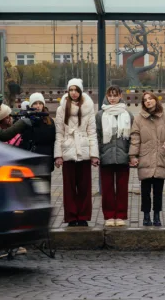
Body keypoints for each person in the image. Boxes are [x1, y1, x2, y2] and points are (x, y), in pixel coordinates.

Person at [54, 78, 99, 227]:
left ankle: (84, 216)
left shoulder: (88, 108)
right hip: (68, 150)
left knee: (85, 187)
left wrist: (94, 155)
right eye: (71, 90)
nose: (73, 93)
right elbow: (59, 133)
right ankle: (71, 217)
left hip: (84, 150)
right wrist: (58, 155)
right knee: (69, 187)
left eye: (76, 90)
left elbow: (92, 132)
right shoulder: (62, 109)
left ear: (80, 91)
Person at [130, 92, 165, 227]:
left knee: (158, 191)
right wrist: (133, 156)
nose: (148, 101)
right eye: (145, 100)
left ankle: (157, 215)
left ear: (156, 100)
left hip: (160, 157)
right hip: (145, 158)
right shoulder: (139, 118)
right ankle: (146, 216)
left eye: (150, 99)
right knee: (145, 191)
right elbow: (135, 137)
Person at [95, 86, 133, 227]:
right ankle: (109, 215)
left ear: (120, 96)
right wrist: (98, 154)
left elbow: (132, 137)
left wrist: (131, 154)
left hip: (123, 157)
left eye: (115, 95)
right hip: (106, 156)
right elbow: (97, 136)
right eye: (110, 95)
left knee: (122, 188)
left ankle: (121, 215)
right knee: (107, 188)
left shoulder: (127, 114)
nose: (112, 98)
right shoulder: (100, 115)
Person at [18, 93, 56, 174]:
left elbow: (53, 141)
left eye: (40, 103)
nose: (38, 106)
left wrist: (53, 159)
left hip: (46, 159)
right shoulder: (26, 120)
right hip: (31, 159)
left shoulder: (49, 121)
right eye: (35, 103)